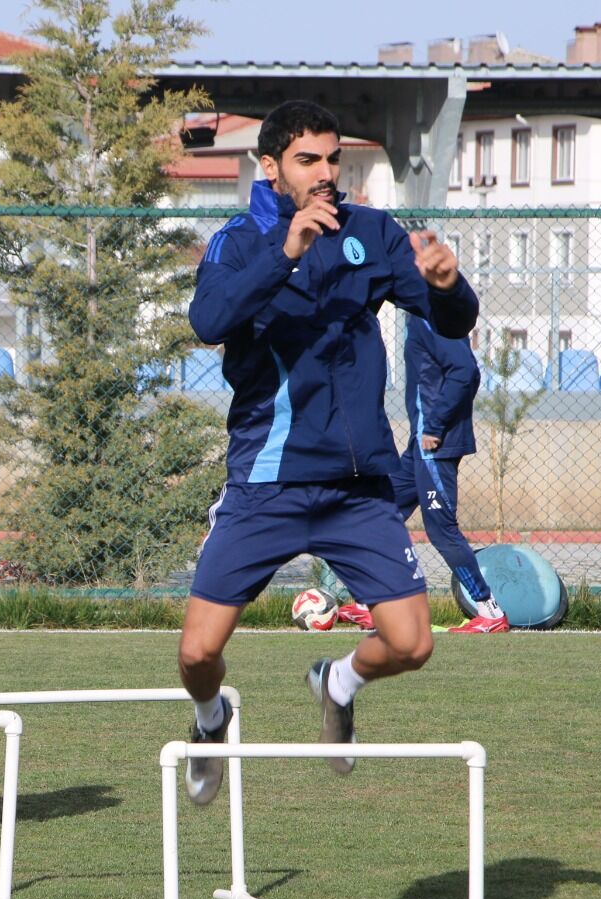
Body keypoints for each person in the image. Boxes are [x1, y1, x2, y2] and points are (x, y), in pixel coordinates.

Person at [178, 100, 479, 803]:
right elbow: (208, 321)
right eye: (307, 160)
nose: (324, 173)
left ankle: (337, 681)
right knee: (197, 652)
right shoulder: (238, 240)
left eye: (332, 159)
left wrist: (446, 286)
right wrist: (286, 249)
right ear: (271, 166)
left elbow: (456, 321)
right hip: (267, 483)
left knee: (413, 642)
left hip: (357, 487)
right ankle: (209, 719)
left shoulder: (371, 232)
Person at [387, 314, 506, 633]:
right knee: (381, 512)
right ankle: (378, 602)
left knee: (441, 529)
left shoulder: (431, 316)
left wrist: (437, 425)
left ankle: (490, 610)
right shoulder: (420, 316)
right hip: (420, 443)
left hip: (434, 445)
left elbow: (467, 372)